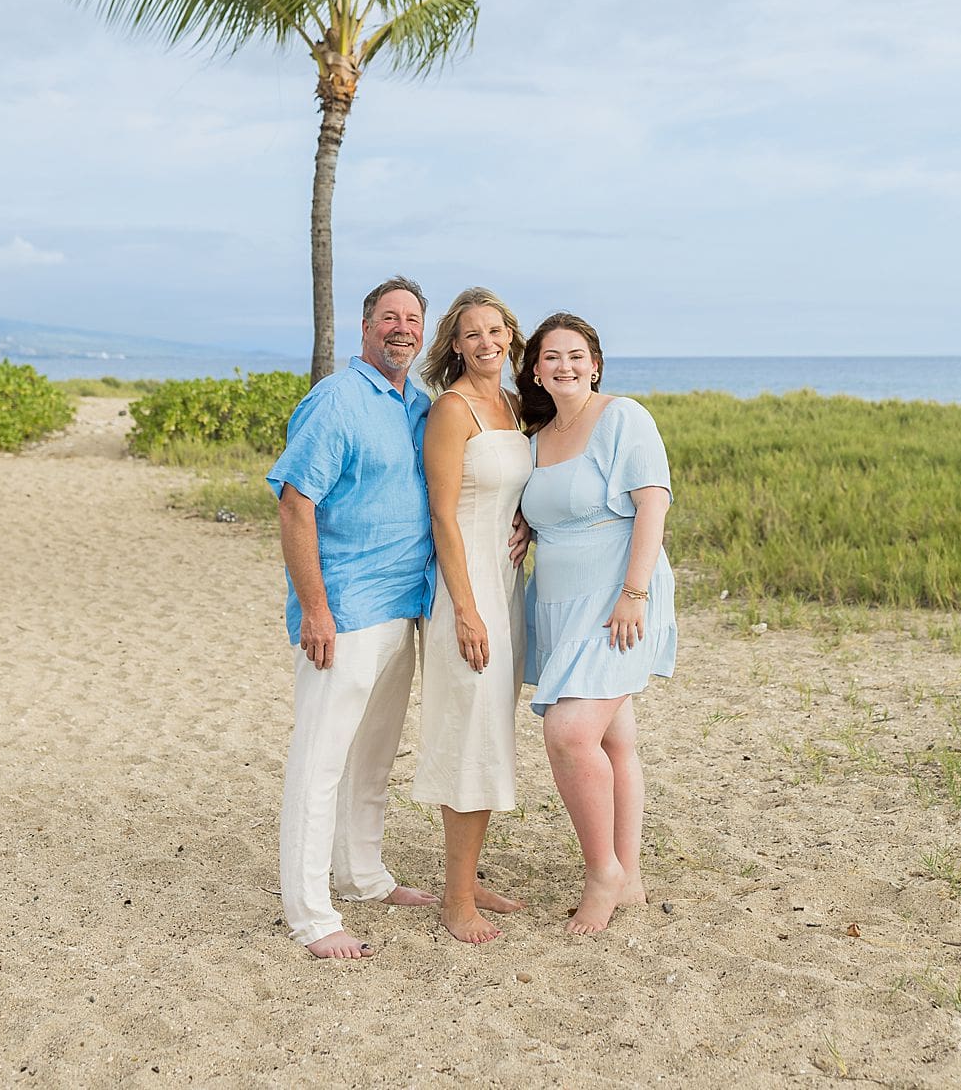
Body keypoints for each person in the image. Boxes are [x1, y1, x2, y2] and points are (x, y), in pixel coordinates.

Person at [268, 277, 438, 959]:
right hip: (344, 610)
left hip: (404, 607)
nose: (402, 327)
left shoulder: (416, 404)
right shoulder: (336, 399)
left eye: (413, 318)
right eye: (389, 316)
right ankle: (311, 913)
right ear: (365, 328)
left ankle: (363, 874)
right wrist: (315, 608)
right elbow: (294, 503)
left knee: (372, 757)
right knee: (321, 762)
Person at [519, 312, 677, 936]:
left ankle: (602, 872)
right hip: (559, 600)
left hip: (619, 595)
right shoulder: (536, 438)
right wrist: (522, 527)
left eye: (576, 354)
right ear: (536, 369)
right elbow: (543, 507)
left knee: (569, 732)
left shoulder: (623, 417)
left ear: (596, 363)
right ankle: (631, 876)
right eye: (552, 356)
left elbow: (652, 504)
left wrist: (634, 593)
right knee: (614, 740)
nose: (565, 365)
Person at [413, 288, 532, 944]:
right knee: (468, 736)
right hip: (469, 591)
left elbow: (518, 491)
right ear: (454, 345)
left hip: (507, 586)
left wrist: (529, 528)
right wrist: (465, 609)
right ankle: (457, 900)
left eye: (495, 329)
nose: (486, 341)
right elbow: (443, 516)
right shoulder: (451, 410)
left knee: (487, 731)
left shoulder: (512, 406)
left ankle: (469, 875)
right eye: (472, 333)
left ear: (510, 335)